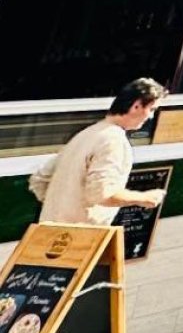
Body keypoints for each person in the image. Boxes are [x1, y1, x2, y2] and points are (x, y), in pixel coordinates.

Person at [28, 78, 168, 226]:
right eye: (152, 109)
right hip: (82, 233)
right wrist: (144, 198)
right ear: (136, 105)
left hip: (48, 230)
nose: (151, 116)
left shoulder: (85, 134)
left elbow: (39, 180)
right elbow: (102, 194)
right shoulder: (113, 141)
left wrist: (61, 207)